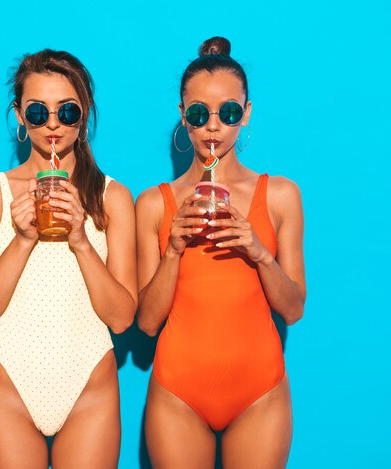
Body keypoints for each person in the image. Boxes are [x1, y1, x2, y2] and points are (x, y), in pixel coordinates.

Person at [0, 49, 137, 469]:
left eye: (67, 111)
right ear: (20, 116)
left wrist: (80, 238)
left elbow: (122, 317)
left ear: (84, 113)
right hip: (11, 389)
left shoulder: (113, 198)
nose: (53, 123)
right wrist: (22, 240)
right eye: (38, 111)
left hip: (89, 388)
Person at [136, 37, 306, 468]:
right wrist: (173, 249)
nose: (214, 127)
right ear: (183, 117)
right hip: (177, 395)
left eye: (228, 112)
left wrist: (259, 251)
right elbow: (147, 323)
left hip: (259, 394)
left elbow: (293, 309)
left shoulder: (280, 195)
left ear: (246, 114)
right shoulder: (155, 204)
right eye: (199, 114)